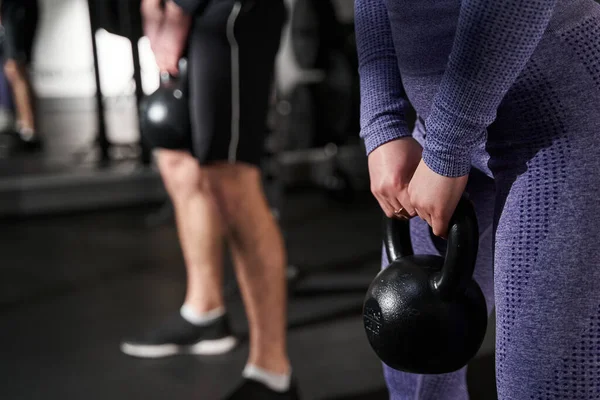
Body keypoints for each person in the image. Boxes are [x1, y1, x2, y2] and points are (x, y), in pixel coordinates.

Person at [355, 0, 600, 399]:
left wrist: (447, 147)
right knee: (413, 367)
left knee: (542, 386)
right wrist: (382, 120)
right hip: (437, 129)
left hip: (557, 127)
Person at [121, 1, 298, 399]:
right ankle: (205, 312)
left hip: (229, 9)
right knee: (178, 161)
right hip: (183, 14)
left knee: (230, 175)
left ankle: (273, 373)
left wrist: (178, 11)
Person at [0, 0, 41, 148]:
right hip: (13, 10)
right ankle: (26, 128)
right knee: (16, 69)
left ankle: (29, 132)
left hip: (16, 9)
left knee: (16, 68)